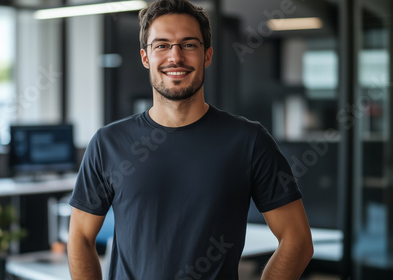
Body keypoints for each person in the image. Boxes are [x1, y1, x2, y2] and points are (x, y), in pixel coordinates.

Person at [67, 0, 313, 279]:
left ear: (207, 55)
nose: (175, 57)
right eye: (161, 45)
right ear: (145, 57)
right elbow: (80, 238)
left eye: (188, 44)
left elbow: (298, 241)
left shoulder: (249, 141)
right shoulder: (107, 143)